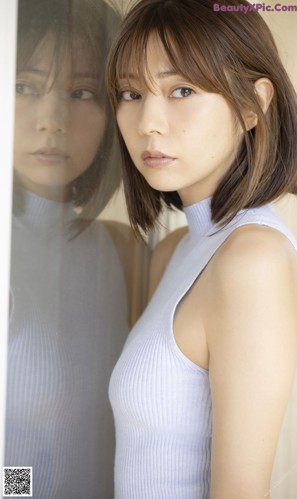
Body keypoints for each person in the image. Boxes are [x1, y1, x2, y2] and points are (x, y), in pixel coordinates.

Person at [105, 0, 297, 497]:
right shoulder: (175, 250)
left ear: (254, 105)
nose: (149, 121)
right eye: (130, 92)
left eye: (182, 90)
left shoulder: (252, 259)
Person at [6, 0, 129, 497]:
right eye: (24, 87)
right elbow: (16, 471)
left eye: (82, 92)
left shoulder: (115, 250)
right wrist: (17, 489)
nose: (53, 119)